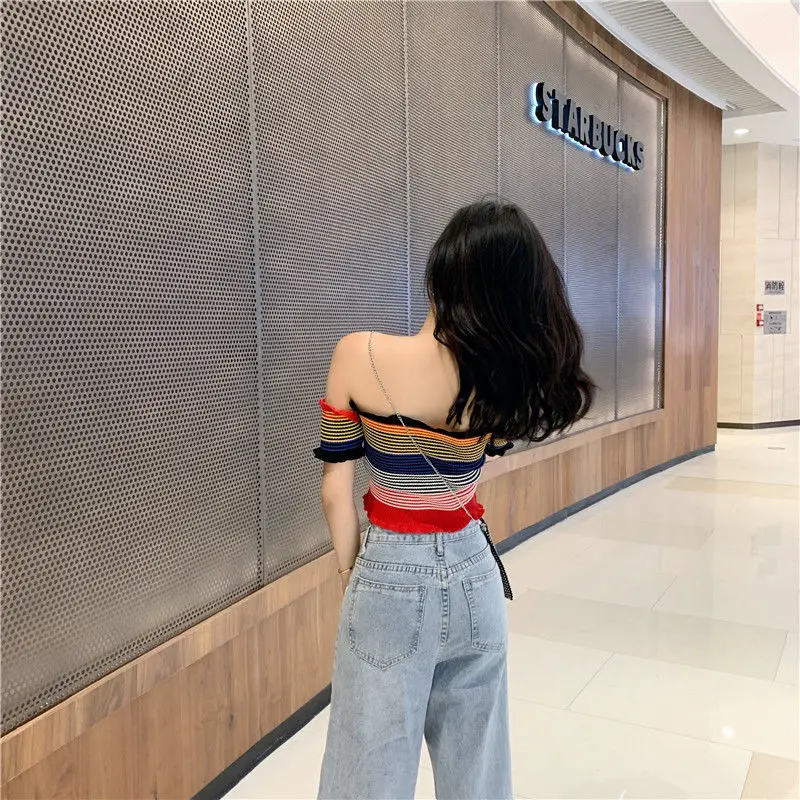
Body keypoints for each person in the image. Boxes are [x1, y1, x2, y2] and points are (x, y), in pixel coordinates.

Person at [313, 200, 594, 800]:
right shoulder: (503, 381)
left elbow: (335, 491)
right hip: (477, 579)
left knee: (367, 776)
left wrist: (352, 577)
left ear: (441, 269)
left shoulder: (358, 354)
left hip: (389, 576)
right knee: (480, 776)